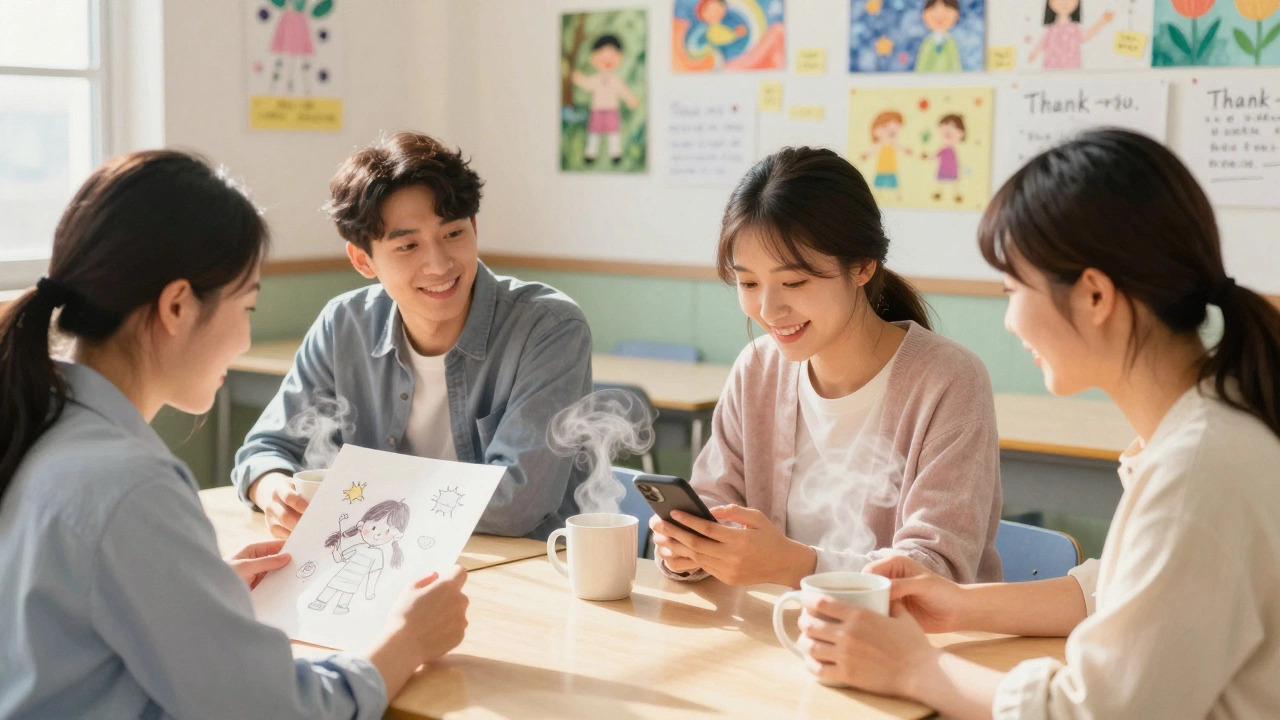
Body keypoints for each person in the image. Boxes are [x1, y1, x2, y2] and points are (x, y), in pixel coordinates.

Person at [796, 129, 1280, 719]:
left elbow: (1094, 713)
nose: (1009, 322)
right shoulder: (1206, 435)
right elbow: (1117, 591)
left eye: (1012, 289)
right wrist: (959, 605)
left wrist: (916, 668)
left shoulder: (1198, 473)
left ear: (1095, 296)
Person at [0, 150, 469, 719]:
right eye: (247, 305)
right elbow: (274, 711)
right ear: (176, 306)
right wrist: (406, 640)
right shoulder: (130, 484)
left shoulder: (38, 426)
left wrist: (193, 592)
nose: (246, 340)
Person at [650, 146, 1003, 589]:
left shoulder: (949, 382)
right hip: (776, 632)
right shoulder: (758, 369)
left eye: (794, 281)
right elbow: (716, 500)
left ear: (861, 265)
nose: (769, 309)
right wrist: (690, 549)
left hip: (903, 645)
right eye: (748, 283)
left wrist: (796, 565)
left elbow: (935, 568)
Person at [234, 132, 593, 541]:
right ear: (363, 261)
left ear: (474, 226)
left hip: (516, 571)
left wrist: (356, 498)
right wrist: (275, 490)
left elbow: (516, 503)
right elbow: (264, 451)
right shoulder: (343, 325)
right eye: (408, 246)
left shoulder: (549, 328)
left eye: (453, 234)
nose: (439, 264)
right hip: (380, 557)